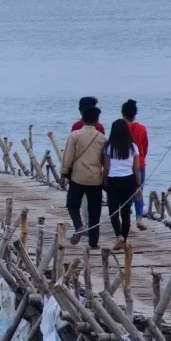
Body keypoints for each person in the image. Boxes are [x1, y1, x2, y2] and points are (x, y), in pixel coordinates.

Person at [59, 105, 106, 249]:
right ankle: (93, 242)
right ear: (97, 120)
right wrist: (105, 178)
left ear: (82, 118)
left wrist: (63, 174)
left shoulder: (75, 135)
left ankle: (78, 225)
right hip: (95, 178)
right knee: (95, 210)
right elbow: (106, 161)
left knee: (72, 205)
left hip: (77, 177)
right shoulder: (102, 138)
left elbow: (68, 158)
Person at [103, 119, 142, 250]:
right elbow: (136, 168)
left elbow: (107, 167)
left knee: (113, 211)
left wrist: (104, 181)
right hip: (128, 180)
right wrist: (138, 185)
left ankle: (118, 235)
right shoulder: (132, 147)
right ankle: (124, 239)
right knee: (126, 212)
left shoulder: (109, 147)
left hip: (113, 180)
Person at [122, 99, 149, 230]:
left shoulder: (120, 128)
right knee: (139, 191)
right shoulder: (142, 128)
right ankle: (139, 218)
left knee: (125, 193)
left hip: (124, 165)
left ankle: (125, 216)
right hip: (140, 164)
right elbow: (145, 146)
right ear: (135, 114)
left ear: (123, 114)